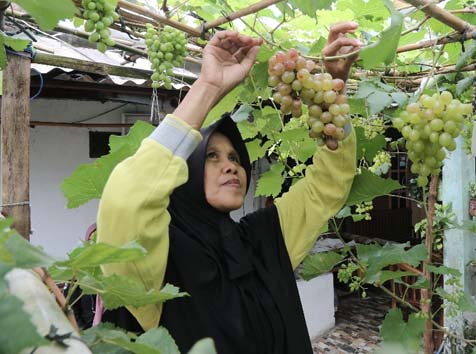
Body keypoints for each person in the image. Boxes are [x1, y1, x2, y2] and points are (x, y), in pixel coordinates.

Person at [96, 22, 361, 353]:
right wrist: (208, 86)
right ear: (184, 172)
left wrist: (331, 93)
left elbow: (328, 184)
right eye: (211, 156)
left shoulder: (263, 239)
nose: (231, 165)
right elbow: (127, 201)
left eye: (236, 157)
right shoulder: (155, 265)